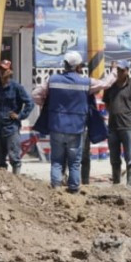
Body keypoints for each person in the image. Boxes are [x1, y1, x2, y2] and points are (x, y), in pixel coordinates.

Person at [33, 51, 112, 193]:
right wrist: (114, 72)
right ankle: (74, 189)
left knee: (56, 161)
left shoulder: (53, 80)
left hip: (57, 126)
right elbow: (106, 84)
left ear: (65, 64)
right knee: (75, 162)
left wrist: (48, 105)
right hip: (76, 128)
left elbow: (36, 95)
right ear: (78, 66)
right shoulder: (86, 83)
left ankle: (56, 188)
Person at [0, 59, 34, 174]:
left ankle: (16, 179)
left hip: (11, 127)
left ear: (10, 71)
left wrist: (20, 116)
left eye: (5, 69)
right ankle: (2, 180)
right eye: (0, 69)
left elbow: (29, 103)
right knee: (0, 158)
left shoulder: (16, 87)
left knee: (14, 157)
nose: (2, 72)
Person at [103, 59, 131, 188]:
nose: (119, 73)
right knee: (114, 158)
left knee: (130, 157)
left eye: (122, 70)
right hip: (113, 127)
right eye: (118, 70)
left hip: (127, 127)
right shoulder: (110, 87)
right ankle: (116, 183)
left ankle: (130, 184)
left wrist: (129, 116)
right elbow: (107, 104)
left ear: (127, 71)